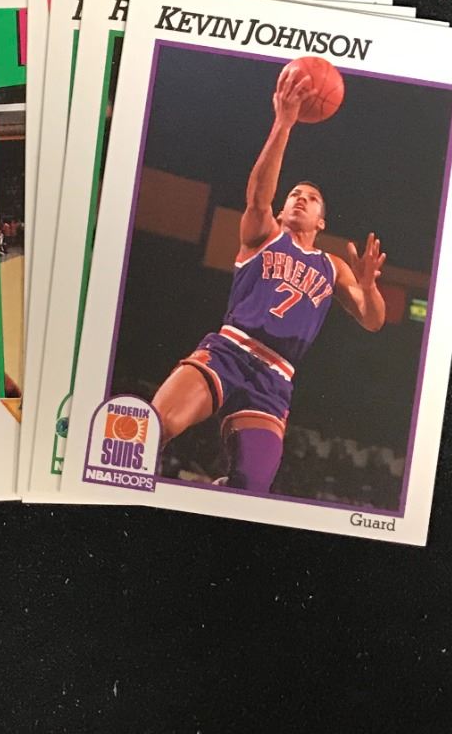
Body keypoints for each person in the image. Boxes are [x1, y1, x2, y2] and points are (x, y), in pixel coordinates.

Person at [151, 68, 387, 495]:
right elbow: (259, 195)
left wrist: (369, 288)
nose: (300, 199)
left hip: (275, 378)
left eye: (311, 199)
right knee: (153, 428)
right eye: (295, 194)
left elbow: (373, 320)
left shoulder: (333, 266)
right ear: (281, 208)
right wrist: (284, 123)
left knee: (252, 488)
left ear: (321, 221)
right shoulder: (264, 234)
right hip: (229, 351)